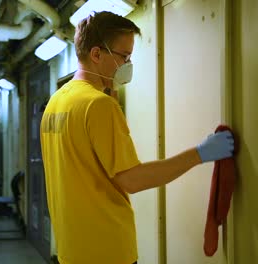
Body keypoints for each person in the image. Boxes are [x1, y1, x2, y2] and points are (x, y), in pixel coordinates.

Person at [40, 11, 234, 264]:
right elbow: (132, 179)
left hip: (72, 250)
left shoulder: (56, 103)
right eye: (124, 56)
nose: (128, 65)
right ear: (97, 54)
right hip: (107, 250)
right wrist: (199, 154)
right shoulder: (98, 105)